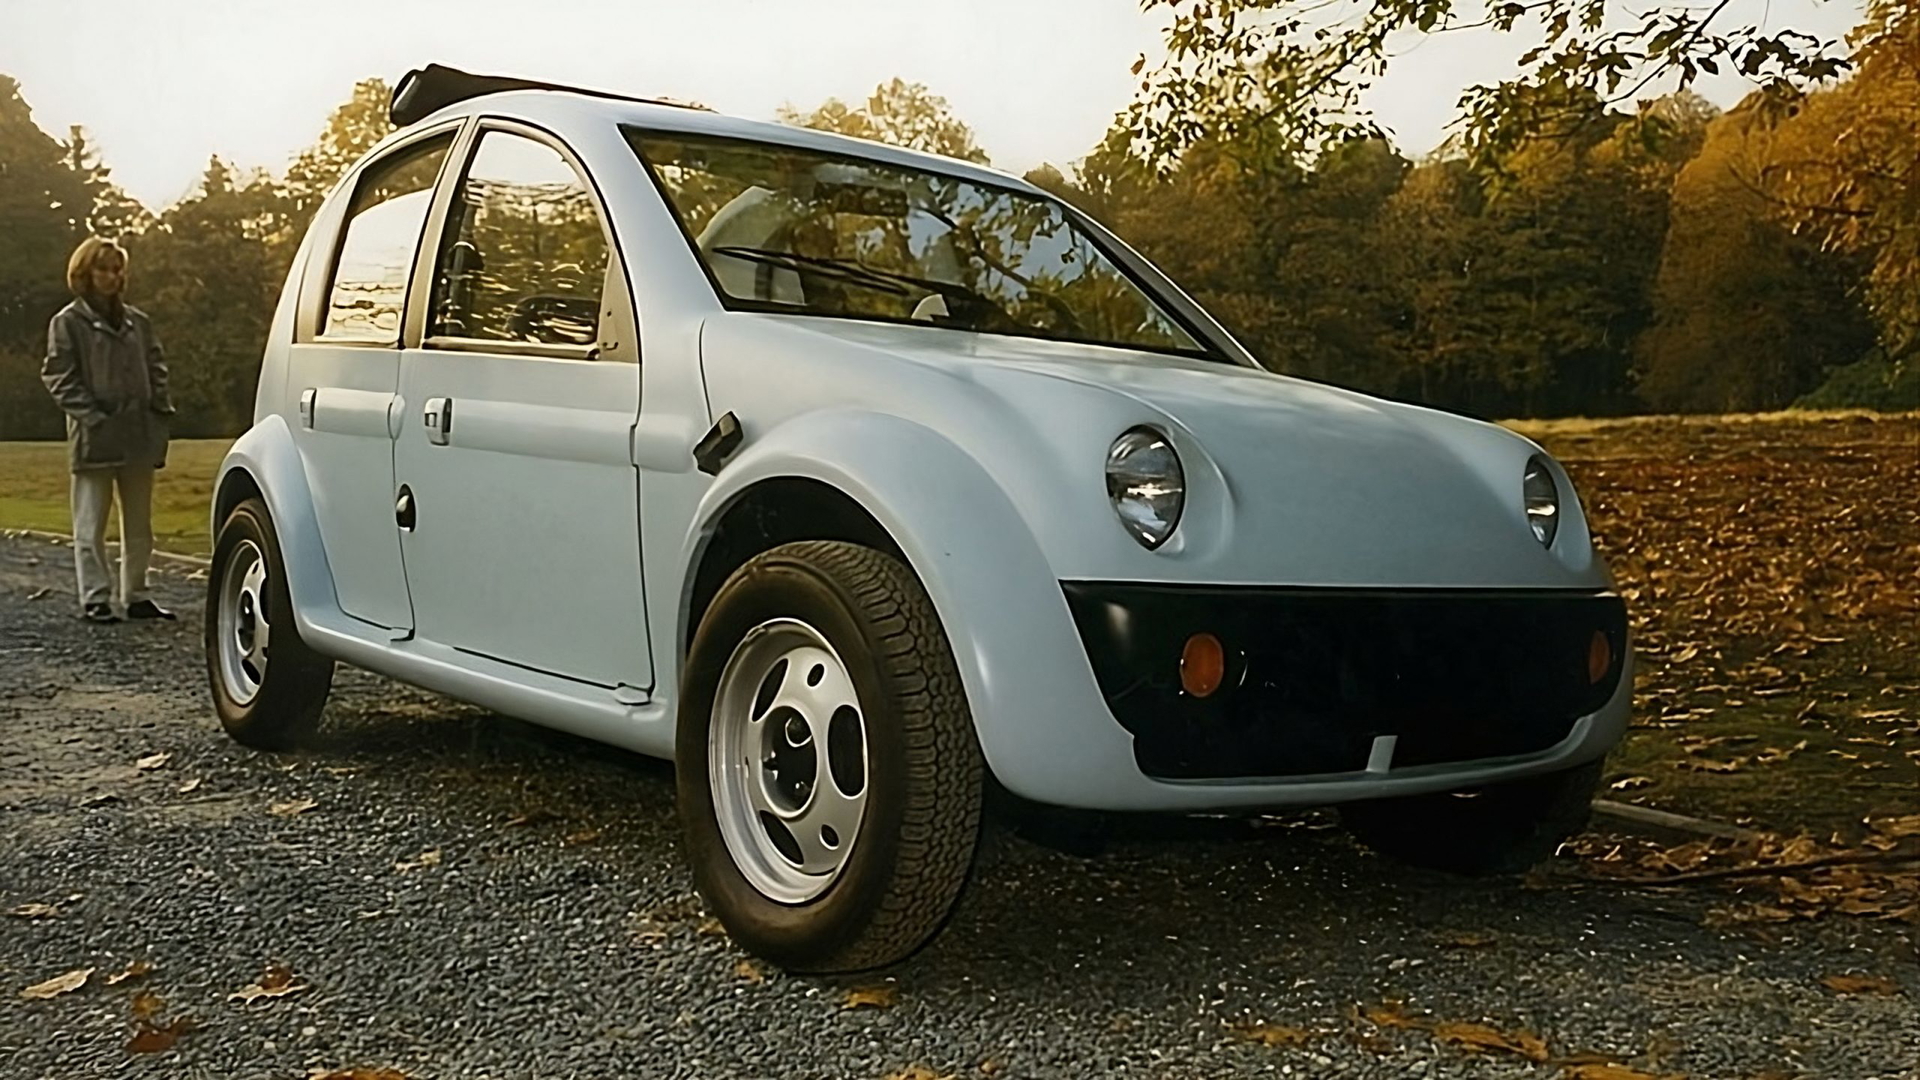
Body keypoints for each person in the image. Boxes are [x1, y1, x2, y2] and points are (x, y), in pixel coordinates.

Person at [39, 236, 176, 624]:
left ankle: (136, 595)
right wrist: (93, 415)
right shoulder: (67, 323)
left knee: (139, 524)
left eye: (117, 269)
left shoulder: (139, 322)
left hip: (138, 432)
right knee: (90, 521)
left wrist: (159, 408)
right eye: (103, 269)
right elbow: (59, 376)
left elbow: (156, 366)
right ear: (85, 273)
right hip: (94, 434)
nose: (112, 276)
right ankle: (95, 598)